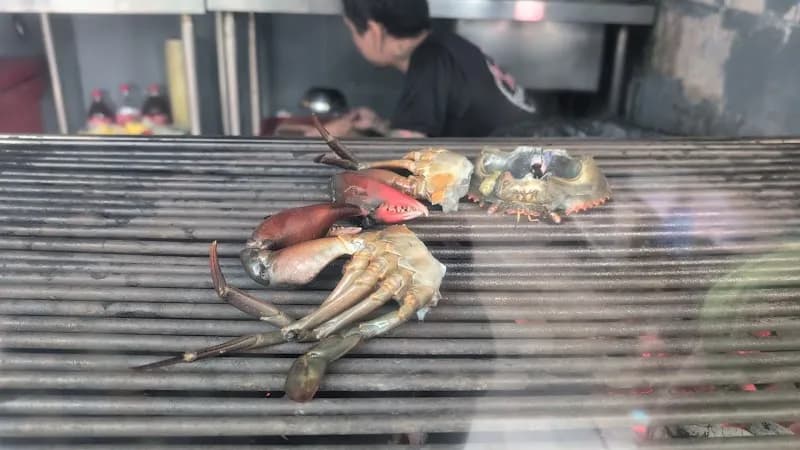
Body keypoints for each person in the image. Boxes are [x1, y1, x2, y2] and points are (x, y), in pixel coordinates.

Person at [315, 0, 536, 138]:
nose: (355, 41)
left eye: (353, 31)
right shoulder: (444, 45)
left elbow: (404, 156)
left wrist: (345, 136)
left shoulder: (429, 62)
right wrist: (379, 126)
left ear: (374, 32)